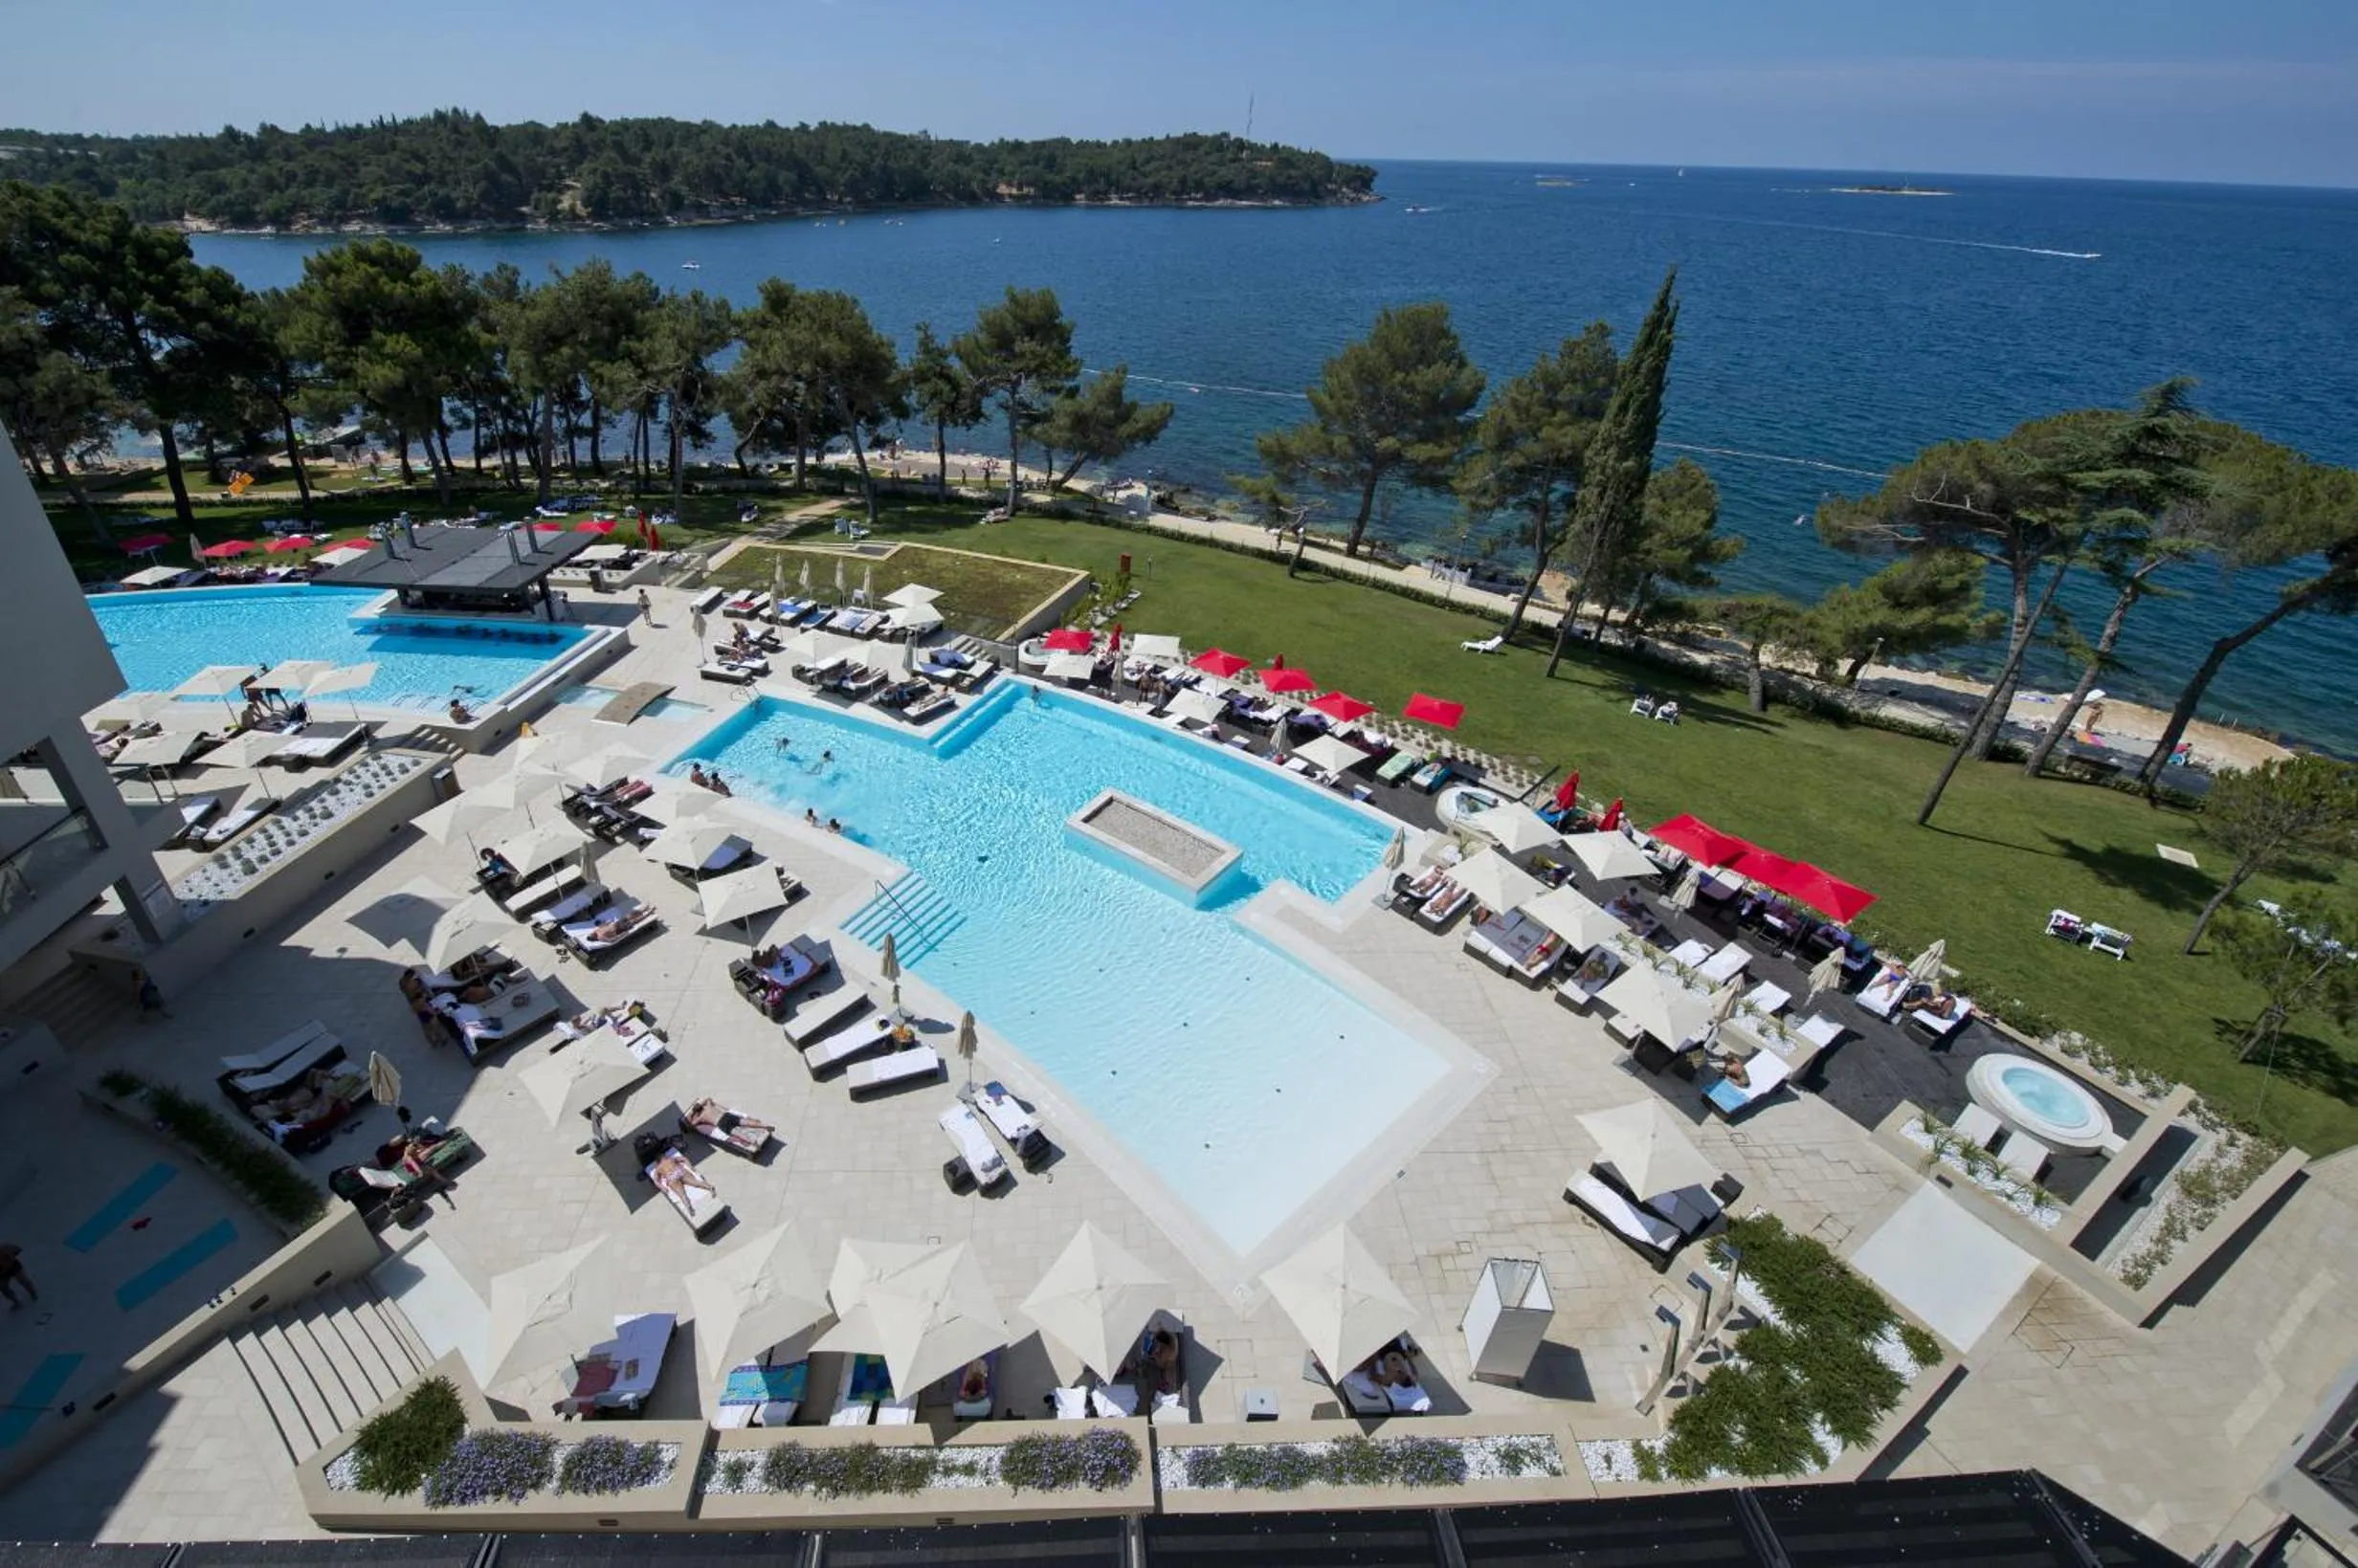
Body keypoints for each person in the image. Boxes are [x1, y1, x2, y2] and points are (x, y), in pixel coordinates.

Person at [650, 1148, 717, 1203]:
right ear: (664, 1156)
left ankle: (686, 1203)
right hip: (679, 1171)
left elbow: (656, 1180)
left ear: (657, 1161)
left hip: (671, 1177)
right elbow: (684, 1159)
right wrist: (691, 1167)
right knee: (695, 1183)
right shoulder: (671, 1159)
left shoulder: (658, 1168)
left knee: (682, 1194)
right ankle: (709, 1187)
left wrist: (663, 1188)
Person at [0, 1243, 37, 1307]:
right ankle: (16, 1302)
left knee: (23, 1280)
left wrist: (11, 1258)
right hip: (2, 1273)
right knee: (4, 1289)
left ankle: (32, 1292)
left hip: (13, 1267)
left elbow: (17, 1249)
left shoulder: (5, 1248)